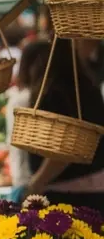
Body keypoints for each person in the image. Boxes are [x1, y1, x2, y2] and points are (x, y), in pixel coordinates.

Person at [24, 39, 104, 212]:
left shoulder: (57, 93)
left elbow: (66, 148)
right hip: (91, 194)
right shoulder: (88, 89)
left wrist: (37, 182)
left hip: (70, 198)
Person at [6, 39, 50, 196]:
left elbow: (16, 146)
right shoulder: (28, 98)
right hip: (38, 181)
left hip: (30, 182)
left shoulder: (21, 99)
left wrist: (22, 184)